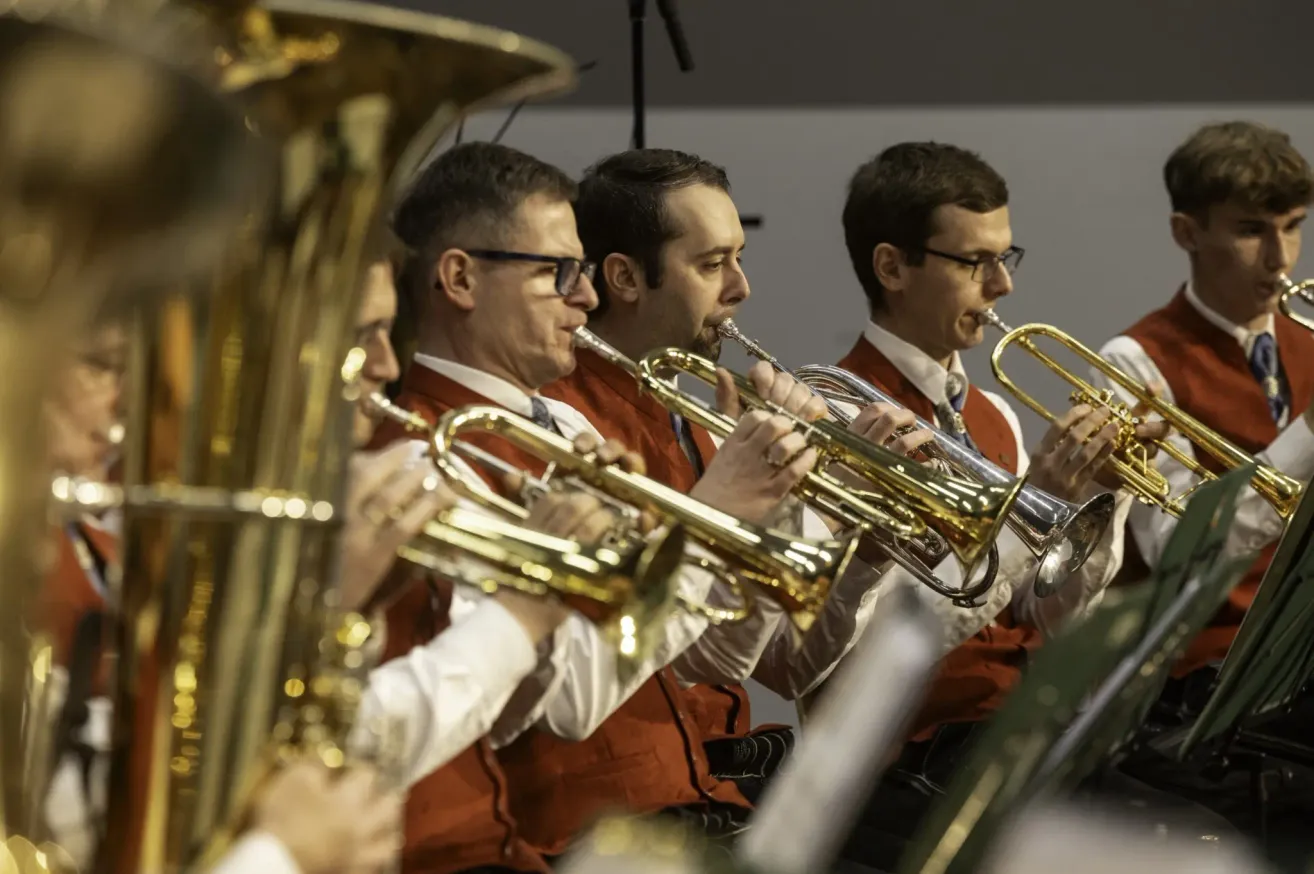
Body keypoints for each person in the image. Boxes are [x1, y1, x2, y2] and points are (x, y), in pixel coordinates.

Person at [383, 140, 826, 868]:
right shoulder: (428, 452)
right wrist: (710, 514)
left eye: (582, 273)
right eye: (559, 273)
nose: (585, 299)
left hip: (684, 806)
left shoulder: (567, 428)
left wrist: (772, 512)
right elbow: (572, 702)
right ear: (460, 278)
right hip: (572, 841)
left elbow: (710, 652)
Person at [553, 147, 936, 799]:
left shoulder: (700, 424)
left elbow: (787, 669)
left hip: (723, 787)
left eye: (739, 258)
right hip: (628, 812)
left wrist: (859, 544)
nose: (741, 288)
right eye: (711, 265)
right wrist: (782, 509)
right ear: (623, 278)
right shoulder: (568, 427)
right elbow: (698, 663)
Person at [826, 140, 1157, 870]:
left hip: (1015, 731)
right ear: (892, 267)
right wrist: (1033, 503)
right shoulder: (839, 413)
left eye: (1008, 257)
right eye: (975, 262)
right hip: (912, 757)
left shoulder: (994, 414)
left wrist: (1102, 496)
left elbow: (1048, 614)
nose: (1003, 285)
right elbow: (880, 638)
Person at [1096, 120, 1314, 682]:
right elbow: (1175, 551)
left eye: (1294, 228)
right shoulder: (1134, 362)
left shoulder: (1307, 336)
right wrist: (1308, 435)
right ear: (1186, 233)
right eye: (1251, 231)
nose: (1280, 258)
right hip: (1210, 670)